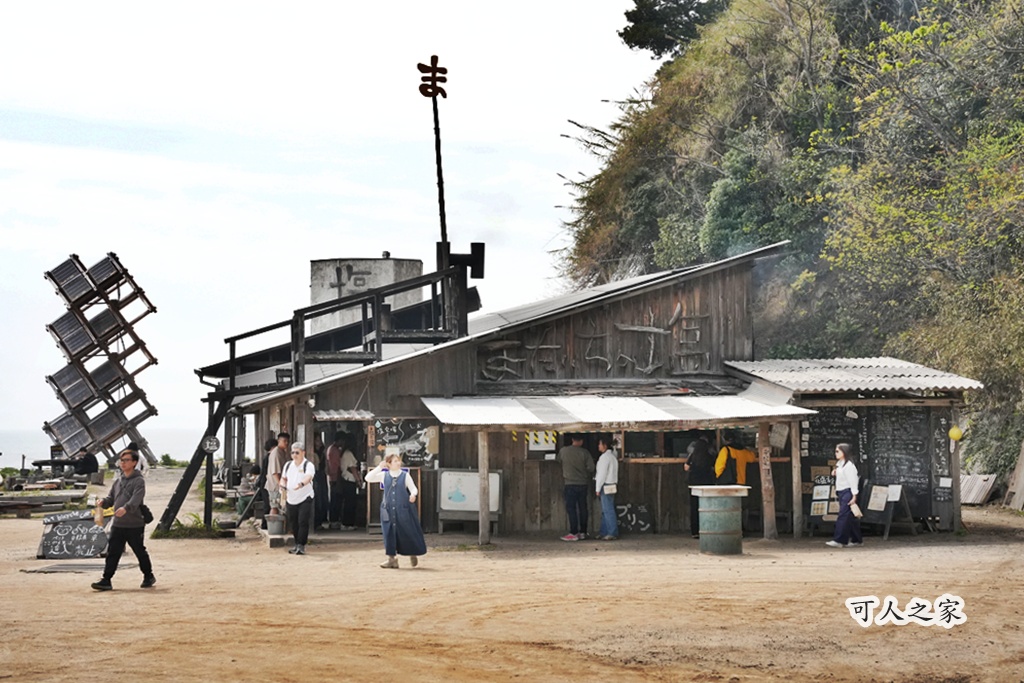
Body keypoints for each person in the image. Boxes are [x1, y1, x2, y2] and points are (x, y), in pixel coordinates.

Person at [90, 448, 155, 591]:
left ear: (134, 463)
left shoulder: (139, 481)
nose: (123, 463)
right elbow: (111, 498)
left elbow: (136, 499)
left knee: (139, 550)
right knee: (113, 552)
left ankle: (148, 575)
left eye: (126, 460)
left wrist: (126, 508)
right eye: (121, 460)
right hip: (118, 524)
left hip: (135, 524)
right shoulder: (118, 481)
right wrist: (104, 502)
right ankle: (106, 580)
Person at [365, 453, 426, 568]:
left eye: (398, 461)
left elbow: (413, 488)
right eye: (395, 461)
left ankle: (412, 552)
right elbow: (368, 478)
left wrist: (413, 494)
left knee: (407, 531)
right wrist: (379, 467)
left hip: (403, 508)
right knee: (389, 533)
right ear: (389, 464)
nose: (398, 463)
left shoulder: (405, 475)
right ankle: (391, 559)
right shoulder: (384, 475)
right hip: (387, 509)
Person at [556, 434, 595, 541]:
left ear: (572, 439)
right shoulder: (585, 453)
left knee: (571, 509)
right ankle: (583, 532)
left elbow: (558, 460)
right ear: (582, 441)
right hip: (583, 484)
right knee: (583, 508)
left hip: (569, 483)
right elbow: (591, 468)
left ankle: (573, 532)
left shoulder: (564, 451)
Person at [280, 441, 315, 555]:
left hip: (305, 497)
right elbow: (283, 478)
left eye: (297, 452)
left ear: (303, 453)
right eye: (293, 452)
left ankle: (301, 545)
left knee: (303, 521)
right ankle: (296, 543)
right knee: (293, 522)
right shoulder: (288, 465)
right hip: (291, 497)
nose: (295, 455)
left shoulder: (308, 465)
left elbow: (308, 477)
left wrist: (301, 484)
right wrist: (282, 486)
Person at [827, 443, 863, 548]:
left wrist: (854, 496)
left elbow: (853, 481)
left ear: (844, 452)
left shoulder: (849, 466)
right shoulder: (840, 464)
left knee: (843, 516)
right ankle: (857, 539)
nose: (836, 453)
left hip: (848, 492)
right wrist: (836, 472)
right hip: (841, 491)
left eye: (838, 451)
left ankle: (839, 540)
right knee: (850, 517)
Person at [684, 433, 715, 538]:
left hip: (694, 483)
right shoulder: (710, 455)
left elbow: (686, 468)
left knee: (694, 507)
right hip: (707, 483)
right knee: (707, 507)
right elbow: (714, 467)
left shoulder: (693, 455)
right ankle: (707, 529)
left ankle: (695, 532)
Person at [594, 434, 619, 540]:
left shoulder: (604, 458)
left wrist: (597, 488)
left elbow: (601, 474)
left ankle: (612, 532)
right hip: (613, 484)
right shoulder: (613, 456)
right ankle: (604, 531)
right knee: (607, 509)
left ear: (604, 445)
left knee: (607, 509)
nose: (598, 446)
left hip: (606, 484)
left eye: (600, 444)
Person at [338, 431, 363, 530]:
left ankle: (348, 523)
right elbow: (353, 468)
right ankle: (347, 523)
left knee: (349, 502)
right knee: (350, 503)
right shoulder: (348, 453)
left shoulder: (345, 453)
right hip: (349, 480)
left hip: (347, 479)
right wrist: (358, 480)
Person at [264, 432, 289, 515]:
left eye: (287, 441)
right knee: (275, 506)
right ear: (279, 441)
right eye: (284, 441)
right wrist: (281, 485)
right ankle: (273, 526)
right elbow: (275, 472)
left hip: (282, 485)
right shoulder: (276, 452)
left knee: (282, 506)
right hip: (276, 486)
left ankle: (280, 526)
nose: (286, 443)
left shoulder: (282, 452)